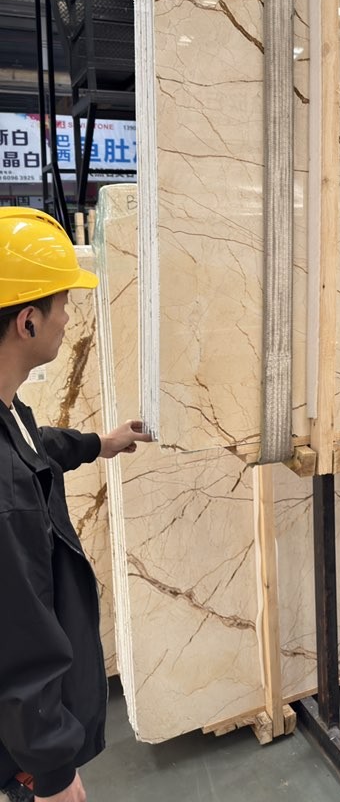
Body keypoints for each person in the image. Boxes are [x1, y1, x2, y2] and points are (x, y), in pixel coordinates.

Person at [0, 208, 151, 802]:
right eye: (62, 303)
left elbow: (35, 444)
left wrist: (98, 443)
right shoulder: (6, 493)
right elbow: (19, 642)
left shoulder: (7, 408)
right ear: (28, 321)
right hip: (20, 754)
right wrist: (53, 776)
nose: (68, 316)